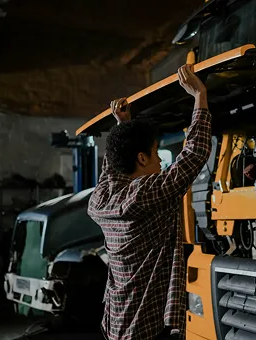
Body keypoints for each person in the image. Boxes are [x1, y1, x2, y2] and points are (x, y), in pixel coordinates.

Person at [88, 64, 212, 340]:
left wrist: (124, 126)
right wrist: (199, 96)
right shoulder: (143, 194)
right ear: (142, 159)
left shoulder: (100, 202)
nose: (159, 162)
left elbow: (112, 171)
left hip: (116, 321)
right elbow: (193, 156)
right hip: (146, 327)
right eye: (155, 154)